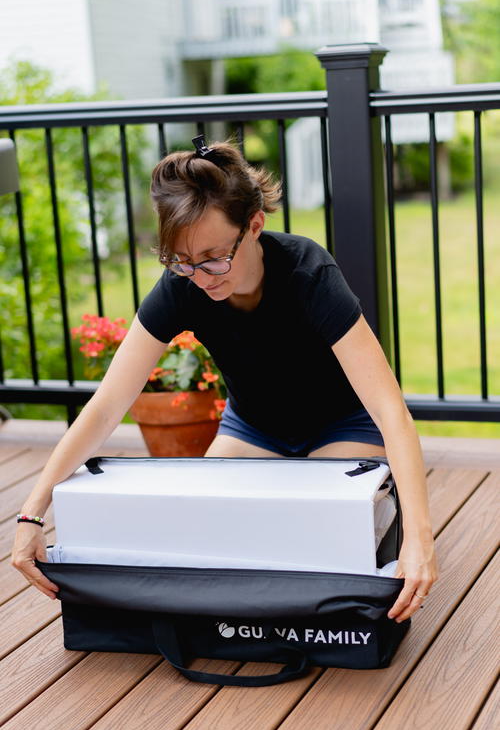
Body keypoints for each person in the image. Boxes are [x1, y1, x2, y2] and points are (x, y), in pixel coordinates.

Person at [11, 136, 438, 624]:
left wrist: (421, 541)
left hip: (343, 426)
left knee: (323, 534)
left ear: (253, 226)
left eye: (214, 257)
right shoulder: (183, 285)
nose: (201, 276)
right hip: (253, 428)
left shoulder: (309, 273)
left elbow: (390, 412)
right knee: (214, 534)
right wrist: (31, 513)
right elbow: (107, 407)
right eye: (183, 261)